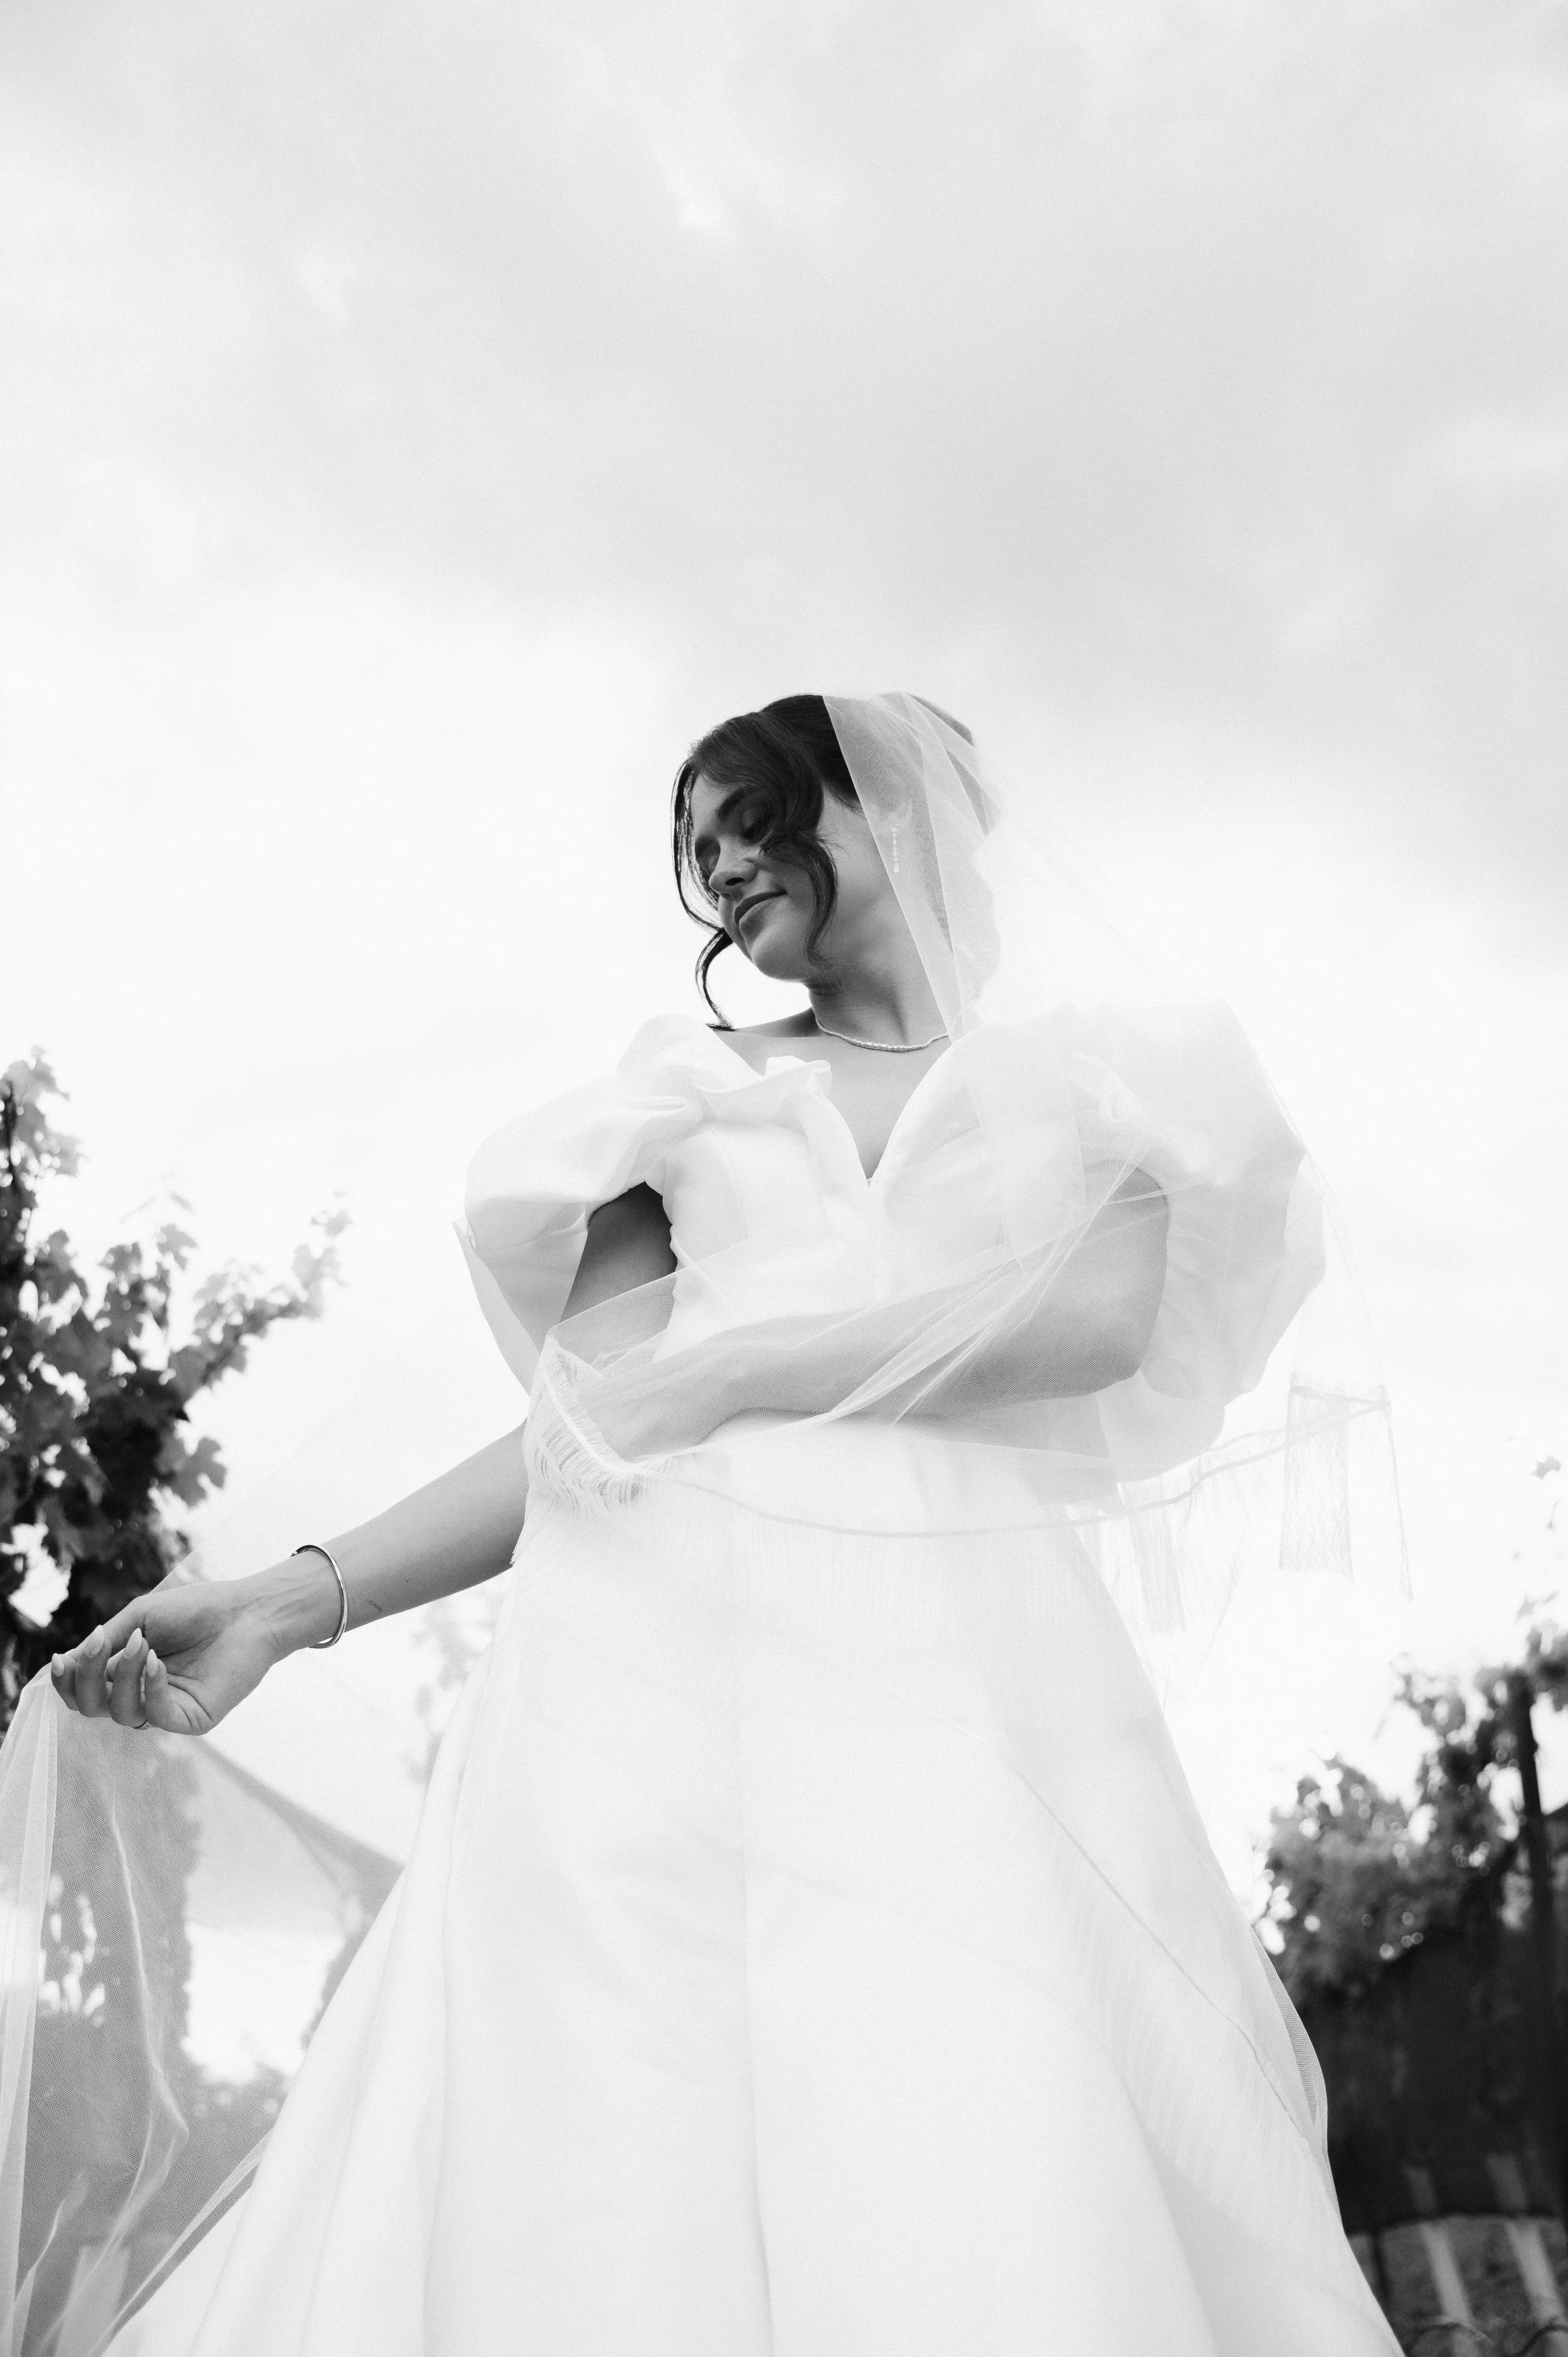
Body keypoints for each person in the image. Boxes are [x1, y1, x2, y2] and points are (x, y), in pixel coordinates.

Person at [11, 693, 1401, 2354]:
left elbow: (1087, 1317)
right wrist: (287, 1599)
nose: (723, 868)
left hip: (963, 1695)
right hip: (647, 1682)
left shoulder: (1099, 1084)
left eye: (752, 817)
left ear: (886, 799)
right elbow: (583, 1420)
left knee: (970, 2106)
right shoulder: (684, 1094)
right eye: (697, 850)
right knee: (610, 2124)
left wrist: (739, 1354)